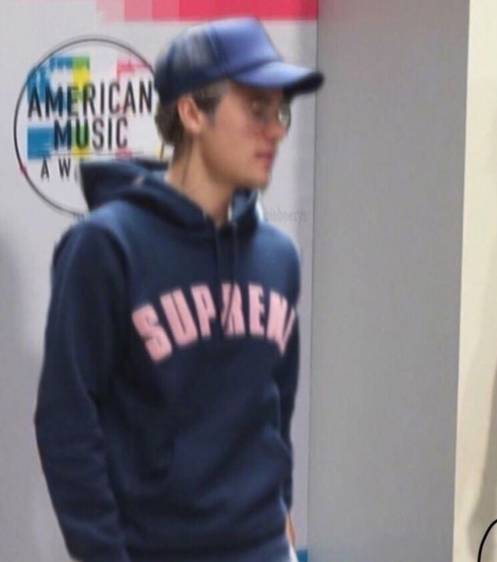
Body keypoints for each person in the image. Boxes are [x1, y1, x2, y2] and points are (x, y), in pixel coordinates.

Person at [34, 17, 323, 562]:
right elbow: (66, 419)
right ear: (192, 113)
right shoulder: (106, 246)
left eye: (280, 112)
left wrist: (279, 511)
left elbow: (274, 408)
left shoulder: (277, 257)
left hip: (262, 548)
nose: (276, 130)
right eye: (256, 109)